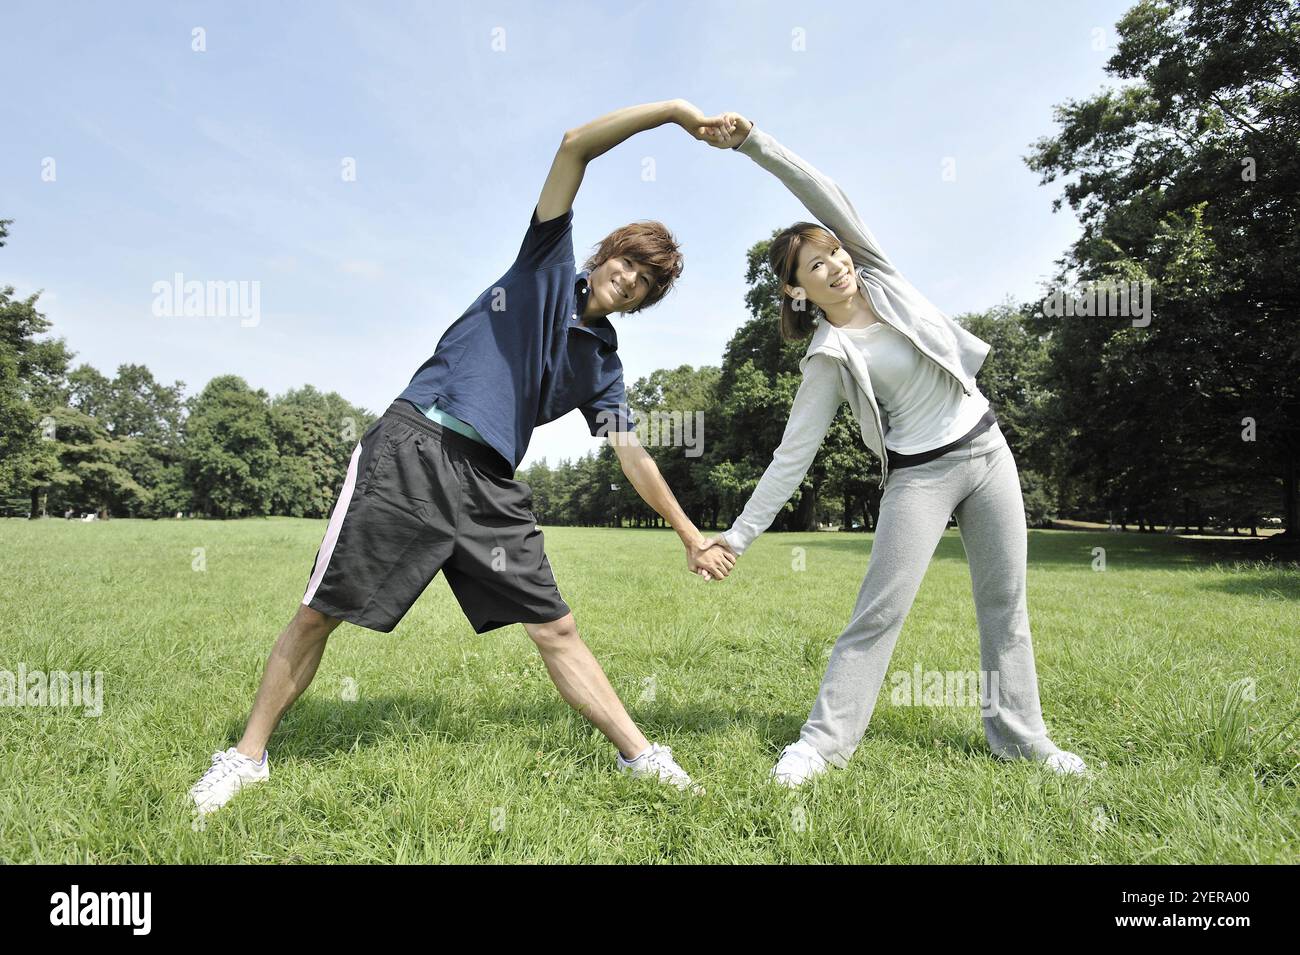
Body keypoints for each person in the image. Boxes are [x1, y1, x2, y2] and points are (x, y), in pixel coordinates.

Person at [190, 100, 737, 815]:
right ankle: (244, 757)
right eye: (629, 260)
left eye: (647, 280)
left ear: (644, 300)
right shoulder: (546, 266)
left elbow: (632, 455)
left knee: (557, 626)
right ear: (605, 254)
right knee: (323, 610)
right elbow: (574, 146)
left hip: (489, 486)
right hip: (415, 447)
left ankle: (642, 756)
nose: (631, 278)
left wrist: (690, 533)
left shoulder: (602, 360)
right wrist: (675, 115)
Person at [697, 113, 1088, 786]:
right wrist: (736, 536)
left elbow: (821, 190)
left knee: (1005, 602)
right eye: (817, 265)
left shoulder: (878, 274)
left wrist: (752, 144)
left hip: (988, 450)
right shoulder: (827, 356)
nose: (835, 264)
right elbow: (792, 456)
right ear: (797, 289)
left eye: (835, 253)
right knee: (878, 612)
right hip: (921, 475)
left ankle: (1023, 739)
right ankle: (820, 746)